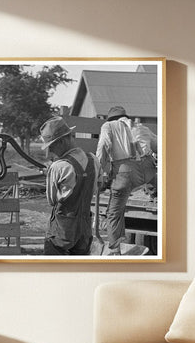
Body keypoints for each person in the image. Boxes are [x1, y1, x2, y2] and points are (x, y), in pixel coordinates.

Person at [96, 106, 157, 255]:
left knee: (114, 213)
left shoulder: (108, 126)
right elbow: (157, 145)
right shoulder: (140, 126)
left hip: (126, 173)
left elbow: (103, 145)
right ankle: (154, 192)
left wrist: (98, 172)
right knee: (156, 184)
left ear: (110, 118)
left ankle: (115, 250)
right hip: (148, 169)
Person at [40, 116, 100, 255]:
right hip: (84, 231)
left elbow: (52, 201)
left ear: (61, 141)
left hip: (62, 231)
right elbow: (95, 189)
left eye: (52, 146)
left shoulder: (58, 166)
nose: (51, 152)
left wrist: (50, 175)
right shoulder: (93, 159)